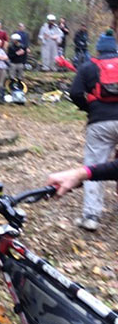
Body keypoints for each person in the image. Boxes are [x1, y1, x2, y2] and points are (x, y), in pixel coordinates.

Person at [69, 28, 118, 231]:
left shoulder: (88, 67)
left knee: (93, 167)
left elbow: (75, 93)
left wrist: (89, 107)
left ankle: (91, 216)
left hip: (99, 123)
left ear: (98, 50)